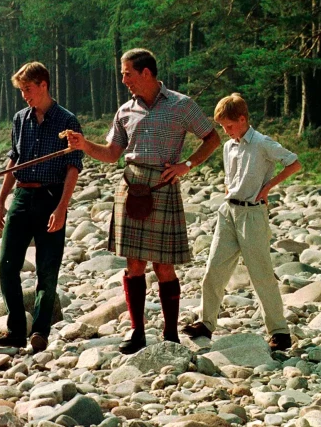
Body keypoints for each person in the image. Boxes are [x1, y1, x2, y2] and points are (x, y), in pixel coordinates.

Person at [67, 48, 220, 354]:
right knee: (134, 264)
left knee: (164, 266)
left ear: (146, 72)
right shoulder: (125, 111)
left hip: (163, 185)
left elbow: (212, 138)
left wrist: (186, 166)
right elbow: (111, 154)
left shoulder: (181, 105)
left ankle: (170, 334)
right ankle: (137, 332)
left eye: (127, 73)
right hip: (132, 183)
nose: (124, 80)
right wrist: (84, 145)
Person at [182, 93, 301, 351]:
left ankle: (280, 332)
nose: (225, 132)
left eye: (229, 126)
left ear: (243, 119)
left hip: (252, 215)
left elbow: (293, 163)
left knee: (261, 275)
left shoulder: (262, 143)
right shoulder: (229, 146)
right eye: (223, 127)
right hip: (228, 213)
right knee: (213, 269)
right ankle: (206, 322)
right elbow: (231, 177)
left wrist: (268, 186)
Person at [0, 61, 83, 353]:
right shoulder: (20, 119)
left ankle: (40, 331)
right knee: (6, 265)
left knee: (47, 269)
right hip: (21, 196)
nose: (25, 96)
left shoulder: (67, 121)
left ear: (43, 85)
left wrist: (63, 207)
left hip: (51, 198)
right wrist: (0, 200)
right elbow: (14, 160)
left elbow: (73, 167)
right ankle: (17, 329)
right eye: (21, 91)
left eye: (28, 89)